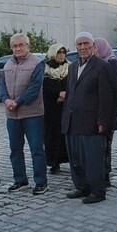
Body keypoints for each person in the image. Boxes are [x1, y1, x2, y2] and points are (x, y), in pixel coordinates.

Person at [62, 32, 113, 204]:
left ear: (93, 46)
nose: (83, 47)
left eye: (86, 44)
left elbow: (107, 98)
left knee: (92, 158)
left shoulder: (102, 66)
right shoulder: (73, 66)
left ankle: (98, 191)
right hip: (72, 120)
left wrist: (103, 121)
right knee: (75, 158)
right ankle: (81, 187)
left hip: (92, 121)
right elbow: (70, 93)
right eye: (79, 44)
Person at [0, 33, 48, 195]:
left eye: (21, 45)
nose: (18, 48)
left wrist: (17, 101)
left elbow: (34, 88)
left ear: (28, 46)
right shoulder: (7, 65)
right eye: (15, 46)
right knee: (15, 149)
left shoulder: (37, 64)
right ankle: (20, 180)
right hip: (12, 115)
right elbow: (2, 86)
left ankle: (41, 182)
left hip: (32, 114)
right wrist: (5, 100)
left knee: (36, 150)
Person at [94, 38, 117, 186]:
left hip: (109, 111)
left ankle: (105, 176)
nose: (95, 51)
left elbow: (113, 87)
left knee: (105, 145)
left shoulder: (112, 63)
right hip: (99, 110)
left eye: (96, 48)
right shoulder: (101, 63)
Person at [43, 43, 70, 174]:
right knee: (51, 136)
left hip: (66, 108)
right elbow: (44, 88)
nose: (61, 55)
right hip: (51, 109)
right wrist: (57, 94)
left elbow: (72, 85)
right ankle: (54, 162)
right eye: (59, 52)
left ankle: (69, 159)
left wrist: (64, 94)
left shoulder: (69, 67)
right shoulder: (45, 69)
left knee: (66, 135)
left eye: (63, 53)